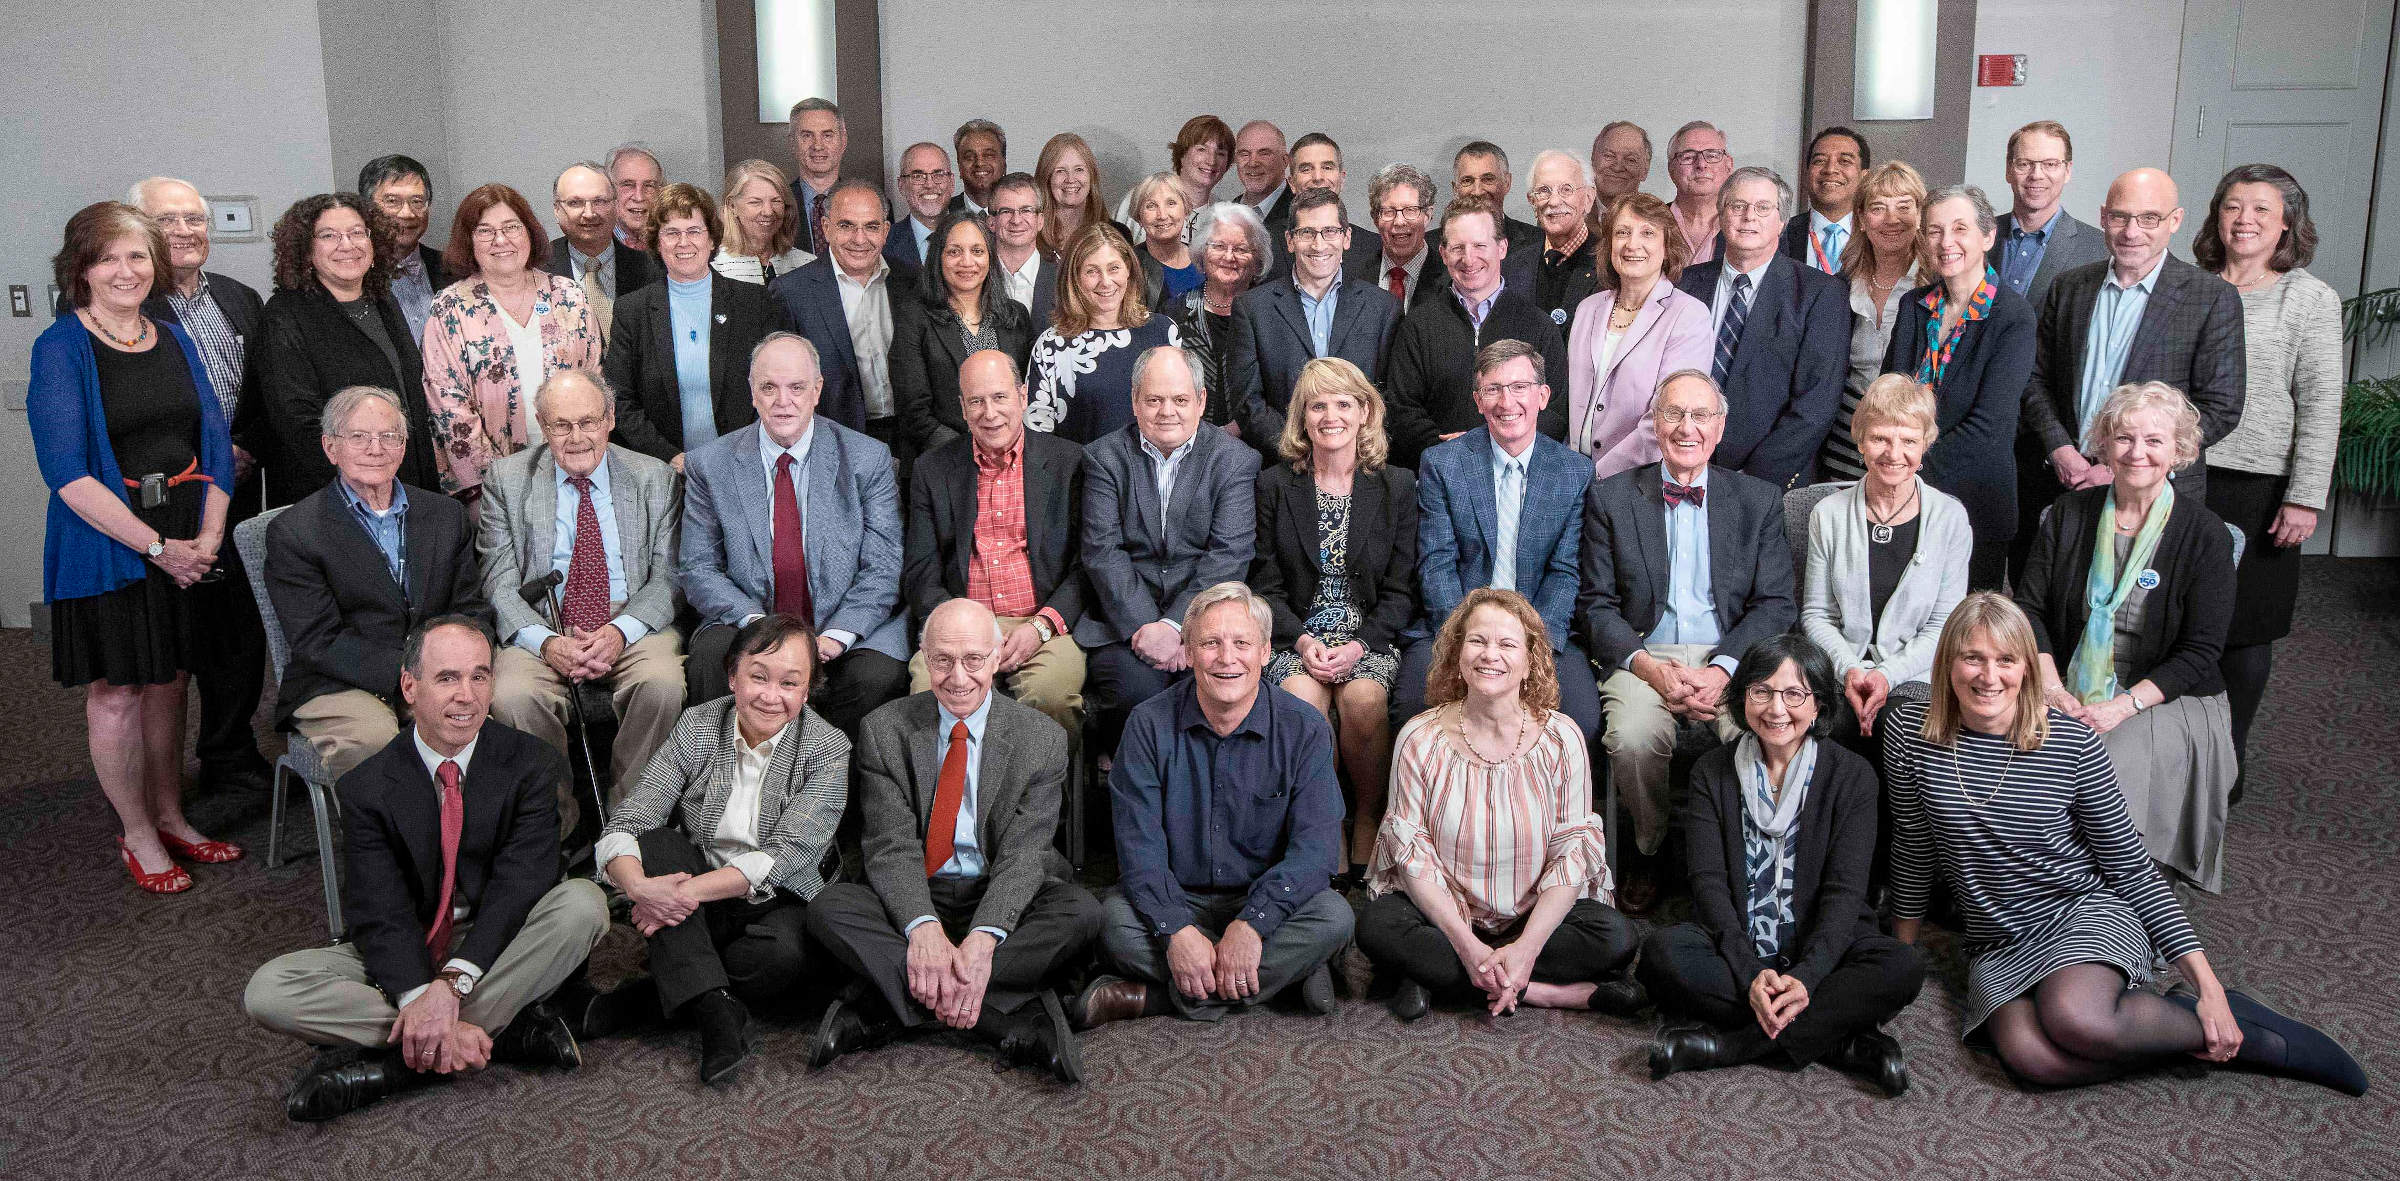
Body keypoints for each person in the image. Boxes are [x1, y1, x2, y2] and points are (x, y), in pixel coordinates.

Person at [1887, 594, 2365, 1095]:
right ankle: (2175, 1029)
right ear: (1948, 663)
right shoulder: (1910, 734)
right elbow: (1913, 845)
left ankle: (2250, 1036)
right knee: (2033, 1062)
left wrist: (2209, 988)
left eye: (2006, 660)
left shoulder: (2072, 743)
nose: (1989, 676)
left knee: (2077, 1020)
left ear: (2027, 667)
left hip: (2080, 910)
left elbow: (2133, 869)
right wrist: (1900, 955)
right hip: (1997, 937)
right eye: (1973, 658)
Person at [243, 617, 609, 1122]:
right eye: (448, 678)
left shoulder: (530, 762)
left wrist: (453, 984)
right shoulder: (368, 786)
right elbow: (379, 910)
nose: (467, 695)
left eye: (480, 676)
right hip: (408, 947)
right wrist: (419, 992)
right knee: (269, 991)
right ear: (409, 687)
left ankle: (395, 1067)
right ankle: (492, 1033)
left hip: (492, 943)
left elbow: (520, 888)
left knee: (583, 906)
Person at [32, 201, 244, 893]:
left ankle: (171, 812)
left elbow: (213, 437)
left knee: (169, 679)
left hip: (185, 526)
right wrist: (160, 547)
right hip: (109, 538)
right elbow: (66, 473)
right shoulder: (61, 346)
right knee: (119, 688)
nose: (125, 270)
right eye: (108, 257)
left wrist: (209, 533)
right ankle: (138, 831)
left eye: (137, 256)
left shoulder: (171, 336)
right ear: (81, 269)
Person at [806, 600, 1103, 1082]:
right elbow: (889, 847)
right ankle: (999, 1020)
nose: (958, 677)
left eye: (974, 660)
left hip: (995, 888)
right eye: (942, 660)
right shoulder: (884, 729)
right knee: (828, 909)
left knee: (1083, 913)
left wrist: (984, 939)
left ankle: (884, 1005)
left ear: (997, 656)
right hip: (917, 889)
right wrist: (921, 927)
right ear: (923, 656)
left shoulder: (1041, 739)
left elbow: (1024, 857)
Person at [1636, 633, 1923, 1094]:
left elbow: (1845, 894)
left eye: (1794, 694)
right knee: (1660, 956)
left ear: (1818, 706)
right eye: (1761, 691)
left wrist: (1807, 978)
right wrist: (1752, 975)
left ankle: (1725, 1046)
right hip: (1739, 950)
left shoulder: (1852, 776)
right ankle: (1838, 1043)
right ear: (1742, 697)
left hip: (1825, 951)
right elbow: (1708, 885)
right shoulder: (1712, 770)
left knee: (1901, 966)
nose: (1776, 709)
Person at [584, 614, 850, 1086]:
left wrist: (674, 898)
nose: (772, 696)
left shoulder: (828, 748)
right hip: (701, 889)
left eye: (790, 683)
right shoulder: (699, 725)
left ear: (807, 691)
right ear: (732, 676)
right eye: (758, 677)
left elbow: (786, 856)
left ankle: (663, 989)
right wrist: (641, 888)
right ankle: (716, 1014)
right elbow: (631, 819)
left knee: (783, 956)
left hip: (778, 897)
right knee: (658, 843)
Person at [1360, 588, 1640, 1020]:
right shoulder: (1419, 737)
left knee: (1616, 937)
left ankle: (1437, 979)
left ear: (1531, 661)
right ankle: (1544, 993)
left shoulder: (1562, 738)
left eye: (1507, 644)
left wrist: (1526, 949)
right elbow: (1411, 856)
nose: (1490, 655)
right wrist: (1466, 944)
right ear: (1457, 653)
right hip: (1446, 916)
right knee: (1376, 926)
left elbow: (1572, 853)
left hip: (1531, 916)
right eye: (1477, 641)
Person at [1081, 583, 1352, 1027]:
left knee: (1335, 917)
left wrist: (1252, 926)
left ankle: (1153, 998)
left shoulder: (1304, 728)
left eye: (1241, 643)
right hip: (1179, 895)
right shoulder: (1147, 725)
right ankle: (1283, 977)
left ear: (1265, 652)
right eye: (1210, 643)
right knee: (1111, 923)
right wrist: (1177, 931)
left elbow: (1316, 852)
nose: (1227, 658)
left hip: (1265, 897)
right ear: (1187, 652)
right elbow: (1139, 851)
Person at [1578, 370, 1798, 911]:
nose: (1687, 427)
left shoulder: (1758, 500)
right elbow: (1595, 604)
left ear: (1720, 427)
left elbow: (1775, 604)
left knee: (1766, 731)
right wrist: (1650, 669)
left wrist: (1722, 669)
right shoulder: (1611, 498)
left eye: (1701, 416)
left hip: (1732, 657)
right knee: (1632, 736)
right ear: (1654, 423)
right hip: (1642, 656)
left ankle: (1747, 863)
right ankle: (1648, 850)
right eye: (1674, 413)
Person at [2013, 381, 2238, 892]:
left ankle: (2125, 908)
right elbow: (2027, 609)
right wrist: (2050, 687)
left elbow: (2201, 652)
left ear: (2178, 451)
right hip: (2064, 681)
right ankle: (2031, 897)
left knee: (2107, 764)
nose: (2138, 453)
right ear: (2105, 445)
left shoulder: (2204, 534)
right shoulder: (2068, 516)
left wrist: (2122, 707)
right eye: (2124, 438)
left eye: (2155, 441)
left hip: (2164, 693)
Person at [478, 370, 685, 832]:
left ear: (610, 419)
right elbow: (497, 583)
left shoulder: (653, 477)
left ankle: (632, 824)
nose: (577, 438)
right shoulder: (508, 480)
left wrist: (618, 632)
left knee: (663, 683)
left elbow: (670, 576)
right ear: (541, 425)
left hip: (630, 624)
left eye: (589, 422)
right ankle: (553, 826)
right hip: (542, 627)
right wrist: (548, 643)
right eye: (561, 425)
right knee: (513, 695)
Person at [2015, 167, 2246, 579]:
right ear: (2103, 217)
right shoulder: (2070, 287)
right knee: (2055, 611)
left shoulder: (2211, 297)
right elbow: (2035, 379)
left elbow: (2220, 407)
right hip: (2063, 481)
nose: (2131, 231)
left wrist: (2122, 464)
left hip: (2155, 492)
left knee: (2140, 621)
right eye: (2120, 217)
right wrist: (2060, 449)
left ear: (2174, 221)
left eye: (2149, 218)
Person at [2192, 164, 2342, 793]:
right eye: (2232, 207)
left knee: (2243, 629)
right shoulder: (2192, 286)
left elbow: (2322, 402)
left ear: (2287, 223)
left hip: (2260, 487)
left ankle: (2230, 758)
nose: (2243, 220)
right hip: (2183, 475)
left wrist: (2306, 496)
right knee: (2184, 620)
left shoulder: (2308, 298)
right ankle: (2183, 753)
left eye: (2260, 209)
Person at [678, 333, 909, 731]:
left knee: (874, 676)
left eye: (796, 387)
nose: (783, 401)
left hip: (842, 623)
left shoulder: (868, 460)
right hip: (751, 620)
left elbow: (884, 567)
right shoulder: (710, 465)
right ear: (752, 393)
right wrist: (757, 627)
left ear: (817, 391)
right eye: (769, 387)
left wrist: (836, 636)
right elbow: (698, 568)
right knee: (710, 657)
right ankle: (724, 784)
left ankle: (836, 789)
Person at [129, 177, 273, 793]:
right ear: (137, 230)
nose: (187, 232)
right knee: (165, 641)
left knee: (238, 627)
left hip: (239, 486)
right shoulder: (124, 304)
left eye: (196, 219)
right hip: (160, 496)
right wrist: (201, 460)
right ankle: (153, 781)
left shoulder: (241, 300)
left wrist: (246, 451)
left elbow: (268, 391)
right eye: (169, 221)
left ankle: (229, 749)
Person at [268, 386, 494, 780]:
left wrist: (449, 675)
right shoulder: (295, 532)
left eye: (389, 436)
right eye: (359, 437)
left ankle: (504, 837)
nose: (376, 448)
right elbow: (318, 640)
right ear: (331, 447)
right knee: (374, 740)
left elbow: (470, 609)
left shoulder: (444, 515)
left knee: (506, 710)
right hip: (341, 680)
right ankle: (395, 843)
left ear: (404, 446)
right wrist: (414, 680)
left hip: (437, 673)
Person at [1251, 358, 1417, 878]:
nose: (1330, 416)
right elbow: (1265, 583)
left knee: (1364, 699)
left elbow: (1400, 589)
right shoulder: (1274, 485)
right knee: (1302, 699)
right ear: (1301, 417)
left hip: (1367, 636)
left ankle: (1368, 817)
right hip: (1293, 635)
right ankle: (1322, 822)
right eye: (1317, 405)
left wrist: (1360, 645)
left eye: (1343, 404)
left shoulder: (1397, 486)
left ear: (1365, 412)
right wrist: (1302, 643)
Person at [1400, 340, 1600, 749]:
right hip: (1456, 626)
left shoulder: (1574, 471)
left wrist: (1528, 645)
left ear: (1542, 396)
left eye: (1519, 387)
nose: (1506, 401)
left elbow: (1566, 572)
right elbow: (1437, 563)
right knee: (1410, 709)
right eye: (1493, 389)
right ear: (1477, 400)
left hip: (1540, 631)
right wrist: (1466, 638)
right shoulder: (1443, 463)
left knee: (1580, 716)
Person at [1076, 346, 1261, 754]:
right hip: (1123, 626)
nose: (1167, 412)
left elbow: (1227, 556)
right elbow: (1102, 551)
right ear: (1135, 401)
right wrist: (1148, 628)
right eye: (1154, 400)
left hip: (1206, 625)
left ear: (1201, 402)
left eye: (1180, 400)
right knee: (1135, 695)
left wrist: (1178, 627)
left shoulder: (1234, 461)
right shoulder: (1104, 458)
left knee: (1216, 694)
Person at [903, 350, 1088, 734]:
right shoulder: (932, 469)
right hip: (960, 625)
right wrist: (963, 633)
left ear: (1023, 396)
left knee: (1051, 696)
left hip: (1041, 623)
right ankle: (951, 795)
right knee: (927, 692)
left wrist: (1040, 626)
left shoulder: (1069, 462)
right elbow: (920, 572)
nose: (990, 413)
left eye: (1000, 397)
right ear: (962, 407)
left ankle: (1041, 795)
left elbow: (1086, 566)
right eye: (976, 401)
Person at [1799, 375, 1972, 760]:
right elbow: (1816, 615)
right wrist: (1850, 671)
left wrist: (1885, 676)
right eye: (1880, 438)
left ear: (1925, 445)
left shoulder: (1950, 519)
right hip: (1841, 670)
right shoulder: (1827, 514)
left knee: (1900, 724)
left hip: (1915, 676)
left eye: (1908, 440)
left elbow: (1944, 624)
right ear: (1860, 442)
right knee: (1830, 724)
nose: (1894, 453)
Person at [1881, 184, 2037, 591]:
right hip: (1904, 500)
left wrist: (1903, 470)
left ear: (1987, 236)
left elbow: (1989, 428)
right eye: (1934, 231)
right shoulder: (1914, 306)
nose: (1945, 242)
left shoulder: (2013, 316)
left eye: (1960, 229)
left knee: (1962, 637)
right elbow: (1887, 400)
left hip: (1974, 505)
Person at [420, 183, 603, 496]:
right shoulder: (450, 308)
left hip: (574, 472)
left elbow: (593, 383)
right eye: (485, 231)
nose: (500, 240)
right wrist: (498, 485)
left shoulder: (569, 296)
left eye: (511, 227)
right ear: (469, 241)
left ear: (529, 232)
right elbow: (448, 406)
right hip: (492, 487)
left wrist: (578, 458)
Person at [1674, 166, 1849, 490]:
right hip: (1679, 469)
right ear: (1721, 215)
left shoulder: (1819, 294)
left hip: (1768, 484)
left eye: (1762, 208)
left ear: (1782, 221)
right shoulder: (1684, 284)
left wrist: (1752, 480)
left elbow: (1816, 405)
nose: (1748, 217)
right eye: (1737, 206)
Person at [262, 193, 444, 501]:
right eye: (328, 235)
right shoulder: (284, 314)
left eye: (357, 232)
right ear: (306, 250)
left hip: (403, 477)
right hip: (331, 492)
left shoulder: (383, 301)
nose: (346, 245)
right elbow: (297, 421)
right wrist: (362, 484)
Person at [602, 182, 789, 468]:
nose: (683, 242)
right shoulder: (632, 311)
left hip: (746, 462)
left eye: (694, 231)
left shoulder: (755, 303)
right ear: (657, 241)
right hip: (663, 470)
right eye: (671, 233)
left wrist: (739, 452)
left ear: (712, 240)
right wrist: (670, 457)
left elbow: (777, 386)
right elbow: (621, 399)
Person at [1383, 196, 1569, 468]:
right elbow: (1402, 410)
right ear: (1444, 254)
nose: (1469, 259)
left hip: (1520, 476)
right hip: (1439, 475)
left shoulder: (1538, 326)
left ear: (1502, 248)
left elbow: (1555, 411)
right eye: (1458, 248)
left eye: (1480, 245)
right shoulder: (1418, 325)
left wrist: (1495, 449)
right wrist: (1451, 450)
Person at [1225, 188, 1402, 453]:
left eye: (1330, 231)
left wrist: (1348, 451)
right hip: (1283, 468)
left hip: (1360, 465)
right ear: (1289, 240)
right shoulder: (1252, 309)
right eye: (1306, 233)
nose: (1319, 244)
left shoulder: (1383, 308)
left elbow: (1389, 398)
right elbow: (1248, 404)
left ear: (1347, 237)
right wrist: (1299, 449)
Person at [1563, 191, 1712, 480]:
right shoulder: (1588, 309)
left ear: (1668, 247)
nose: (1633, 244)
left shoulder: (1688, 315)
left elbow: (1670, 415)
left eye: (1647, 233)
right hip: (1572, 475)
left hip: (1639, 482)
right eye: (1622, 232)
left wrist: (1599, 475)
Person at [767, 180, 899, 454]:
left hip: (908, 441)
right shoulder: (792, 292)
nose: (859, 239)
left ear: (885, 231)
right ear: (826, 228)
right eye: (846, 225)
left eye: (871, 226)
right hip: (832, 445)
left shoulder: (912, 283)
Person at [1822, 161, 1932, 483]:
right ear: (1861, 219)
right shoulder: (1841, 286)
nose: (1892, 220)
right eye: (1878, 208)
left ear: (1920, 215)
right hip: (1842, 444)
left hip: (1906, 450)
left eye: (1904, 207)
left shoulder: (1936, 289)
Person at [891, 210, 1038, 451]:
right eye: (954, 252)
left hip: (1013, 455)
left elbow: (1027, 393)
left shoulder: (1016, 315)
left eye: (977, 251)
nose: (967, 262)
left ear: (990, 257)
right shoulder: (914, 316)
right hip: (944, 458)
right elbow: (913, 409)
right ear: (939, 257)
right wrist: (970, 452)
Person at [1027, 221, 1182, 443]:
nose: (1105, 282)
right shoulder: (1052, 345)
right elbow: (1037, 439)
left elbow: (1184, 416)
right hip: (1081, 474)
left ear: (1128, 269)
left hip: (1155, 474)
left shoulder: (1164, 333)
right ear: (1075, 277)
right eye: (1092, 271)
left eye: (1114, 268)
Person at [1170, 202, 1271, 431]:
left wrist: (1239, 429)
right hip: (1187, 440)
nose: (1229, 256)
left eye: (1241, 249)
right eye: (1218, 246)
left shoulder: (1271, 314)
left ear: (1257, 260)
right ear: (1202, 253)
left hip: (1258, 443)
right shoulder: (1175, 312)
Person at [1987, 121, 2108, 306]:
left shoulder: (2098, 250)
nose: (2036, 175)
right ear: (2008, 170)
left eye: (2050, 164)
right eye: (2024, 164)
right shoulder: (1977, 235)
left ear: (2067, 171)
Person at [541, 161, 658, 348]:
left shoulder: (652, 270)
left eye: (600, 202)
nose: (589, 213)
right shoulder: (537, 270)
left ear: (616, 206)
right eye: (575, 203)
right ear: (557, 210)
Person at [1260, 132, 1381, 279]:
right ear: (1291, 183)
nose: (1317, 177)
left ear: (1342, 179)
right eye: (1306, 169)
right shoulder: (1264, 243)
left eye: (1327, 167)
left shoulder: (1374, 247)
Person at [1113, 116, 1238, 246]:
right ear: (1182, 155)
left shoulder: (1226, 215)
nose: (1211, 160)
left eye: (1221, 153)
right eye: (1202, 149)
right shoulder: (1142, 198)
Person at [360, 154, 444, 341]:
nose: (407, 213)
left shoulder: (451, 268)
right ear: (367, 208)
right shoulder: (353, 274)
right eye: (392, 201)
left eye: (417, 201)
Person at [1516, 150, 1601, 333]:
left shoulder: (1610, 265)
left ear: (1588, 198)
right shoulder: (1512, 268)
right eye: (1544, 191)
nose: (1554, 201)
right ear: (1532, 202)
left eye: (1566, 189)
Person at [1355, 163, 1447, 311]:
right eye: (1388, 211)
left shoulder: (1451, 279)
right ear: (1375, 219)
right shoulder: (1354, 277)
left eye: (1410, 210)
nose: (1399, 221)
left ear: (1427, 216)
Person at [712, 159, 813, 285]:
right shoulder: (714, 269)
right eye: (755, 202)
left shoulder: (808, 265)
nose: (768, 212)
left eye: (776, 201)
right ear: (732, 206)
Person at [1782, 128, 1869, 274]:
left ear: (1864, 176)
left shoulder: (1878, 236)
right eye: (1820, 161)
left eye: (1845, 161)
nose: (1830, 169)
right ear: (1807, 173)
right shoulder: (1780, 236)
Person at [989, 172, 1058, 328]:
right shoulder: (975, 278)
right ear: (992, 222)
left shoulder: (1064, 280)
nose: (1016, 220)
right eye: (1006, 211)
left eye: (1026, 210)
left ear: (1040, 221)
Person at [1452, 141, 1543, 254]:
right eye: (1467, 181)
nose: (1477, 191)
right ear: (1455, 188)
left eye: (1488, 179)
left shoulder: (1539, 241)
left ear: (1507, 182)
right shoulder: (1431, 245)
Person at [1126, 171, 1201, 307]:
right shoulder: (1128, 266)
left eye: (1171, 203)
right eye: (1151, 206)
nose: (1162, 215)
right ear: (1139, 217)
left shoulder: (1205, 260)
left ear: (1186, 209)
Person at [787, 97, 849, 257]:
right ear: (792, 143)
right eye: (807, 135)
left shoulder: (870, 203)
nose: (818, 146)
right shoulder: (777, 205)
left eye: (827, 135)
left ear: (843, 141)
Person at [1665, 121, 1733, 263]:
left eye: (1712, 155)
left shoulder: (1748, 225)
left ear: (1729, 166)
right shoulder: (1650, 222)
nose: (1701, 165)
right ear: (1671, 169)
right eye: (1688, 157)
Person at [887, 142, 955, 279]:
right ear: (901, 185)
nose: (929, 184)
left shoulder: (977, 237)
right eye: (918, 176)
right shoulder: (884, 243)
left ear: (952, 182)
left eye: (938, 174)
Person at [1034, 132, 1105, 259]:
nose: (1070, 179)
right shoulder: (1030, 236)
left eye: (1079, 169)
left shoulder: (1117, 232)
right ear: (1046, 178)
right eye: (1060, 171)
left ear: (1091, 176)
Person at [1232, 121, 1293, 232]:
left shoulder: (1302, 213)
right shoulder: (1228, 211)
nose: (1252, 163)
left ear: (1284, 161)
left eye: (1264, 153)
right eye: (1244, 154)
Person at [605, 144, 666, 252]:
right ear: (608, 190)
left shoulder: (672, 243)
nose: (639, 197)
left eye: (649, 186)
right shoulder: (594, 243)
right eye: (628, 185)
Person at [1590, 121, 1654, 206]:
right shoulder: (1572, 212)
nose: (1617, 168)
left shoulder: (1658, 218)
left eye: (1630, 160)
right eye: (1609, 156)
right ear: (1593, 159)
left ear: (1645, 171)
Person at [950, 118, 1007, 214]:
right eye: (969, 157)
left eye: (988, 155)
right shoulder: (942, 215)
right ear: (959, 166)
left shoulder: (1020, 214)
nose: (979, 163)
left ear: (1004, 164)